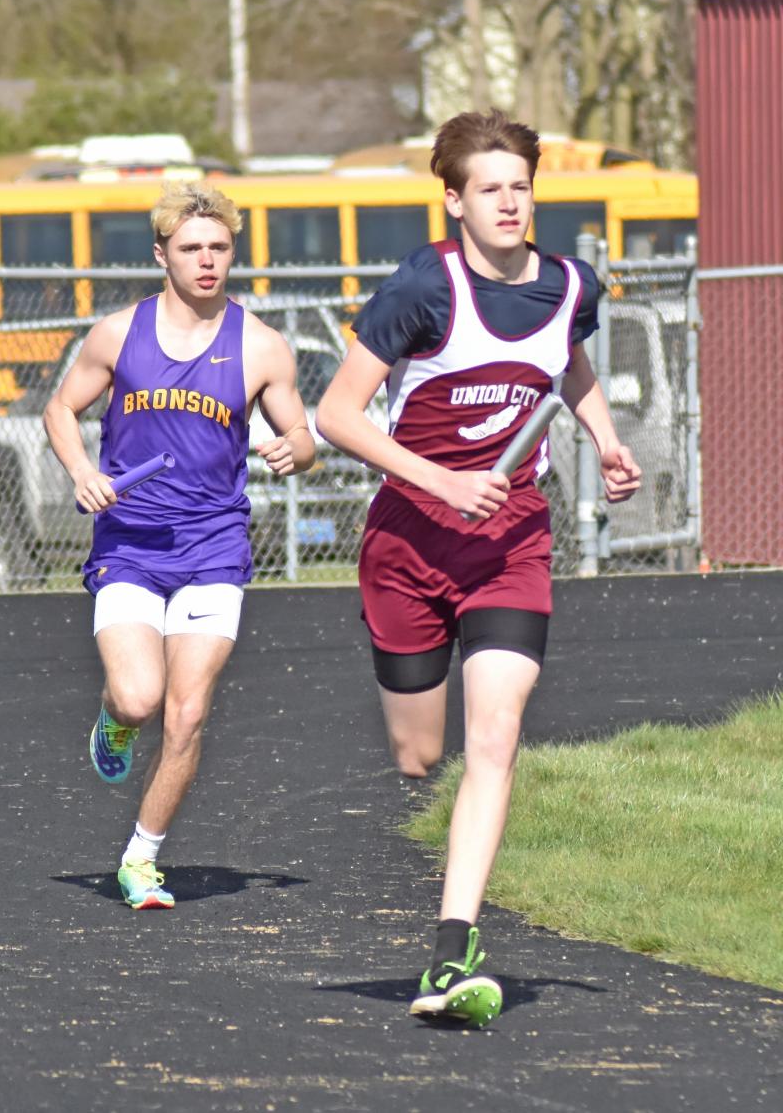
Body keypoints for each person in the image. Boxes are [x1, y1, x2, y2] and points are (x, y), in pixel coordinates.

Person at [316, 109, 641, 1026]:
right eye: (489, 188)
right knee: (421, 757)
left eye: (521, 186)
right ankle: (415, 714)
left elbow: (564, 363)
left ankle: (450, 952)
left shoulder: (572, 284)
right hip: (410, 541)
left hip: (511, 540)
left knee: (493, 738)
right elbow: (338, 414)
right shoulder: (423, 288)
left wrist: (605, 440)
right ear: (453, 200)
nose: (509, 202)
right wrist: (443, 483)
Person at [43, 180, 315, 910]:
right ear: (161, 253)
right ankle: (114, 718)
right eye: (190, 248)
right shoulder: (117, 335)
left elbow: (301, 433)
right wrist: (82, 470)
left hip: (213, 546)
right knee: (140, 698)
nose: (206, 261)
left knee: (187, 713)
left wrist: (297, 448)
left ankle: (141, 859)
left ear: (232, 254)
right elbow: (61, 408)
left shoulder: (259, 345)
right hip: (130, 543)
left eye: (218, 248)